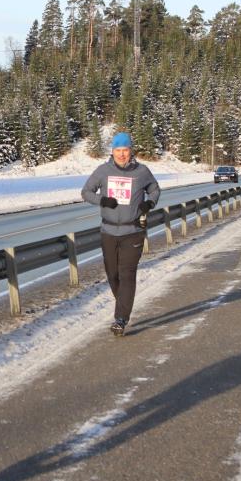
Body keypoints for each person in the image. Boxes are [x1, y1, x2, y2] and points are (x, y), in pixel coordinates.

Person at [81, 131, 160, 336]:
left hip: (133, 231)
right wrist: (102, 200)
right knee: (113, 274)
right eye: (118, 150)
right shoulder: (103, 171)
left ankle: (121, 318)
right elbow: (86, 192)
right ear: (113, 151)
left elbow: (155, 190)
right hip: (108, 231)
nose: (122, 154)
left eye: (125, 150)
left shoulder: (142, 172)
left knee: (127, 274)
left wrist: (149, 202)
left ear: (130, 151)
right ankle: (124, 303)